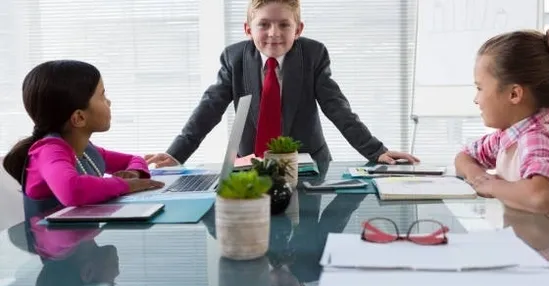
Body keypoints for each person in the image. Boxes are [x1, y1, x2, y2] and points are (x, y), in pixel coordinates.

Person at [145, 0, 419, 168]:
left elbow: (338, 109)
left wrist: (376, 151)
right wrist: (176, 155)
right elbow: (208, 110)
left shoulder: (313, 55)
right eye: (264, 24)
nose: (274, 33)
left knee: (313, 240)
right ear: (248, 29)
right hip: (252, 164)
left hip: (309, 163)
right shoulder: (235, 58)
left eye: (284, 25)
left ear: (298, 29)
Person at [455, 28, 549, 244]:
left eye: (480, 88)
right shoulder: (511, 134)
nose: (476, 99)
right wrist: (478, 178)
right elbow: (463, 157)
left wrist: (492, 186)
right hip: (536, 246)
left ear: (514, 94)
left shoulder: (537, 136)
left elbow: (543, 197)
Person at [2, 60, 164, 208]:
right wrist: (127, 185)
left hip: (81, 237)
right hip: (48, 239)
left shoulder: (86, 151)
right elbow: (73, 191)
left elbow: (133, 159)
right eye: (102, 96)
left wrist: (134, 173)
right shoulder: (49, 151)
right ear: (79, 117)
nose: (109, 102)